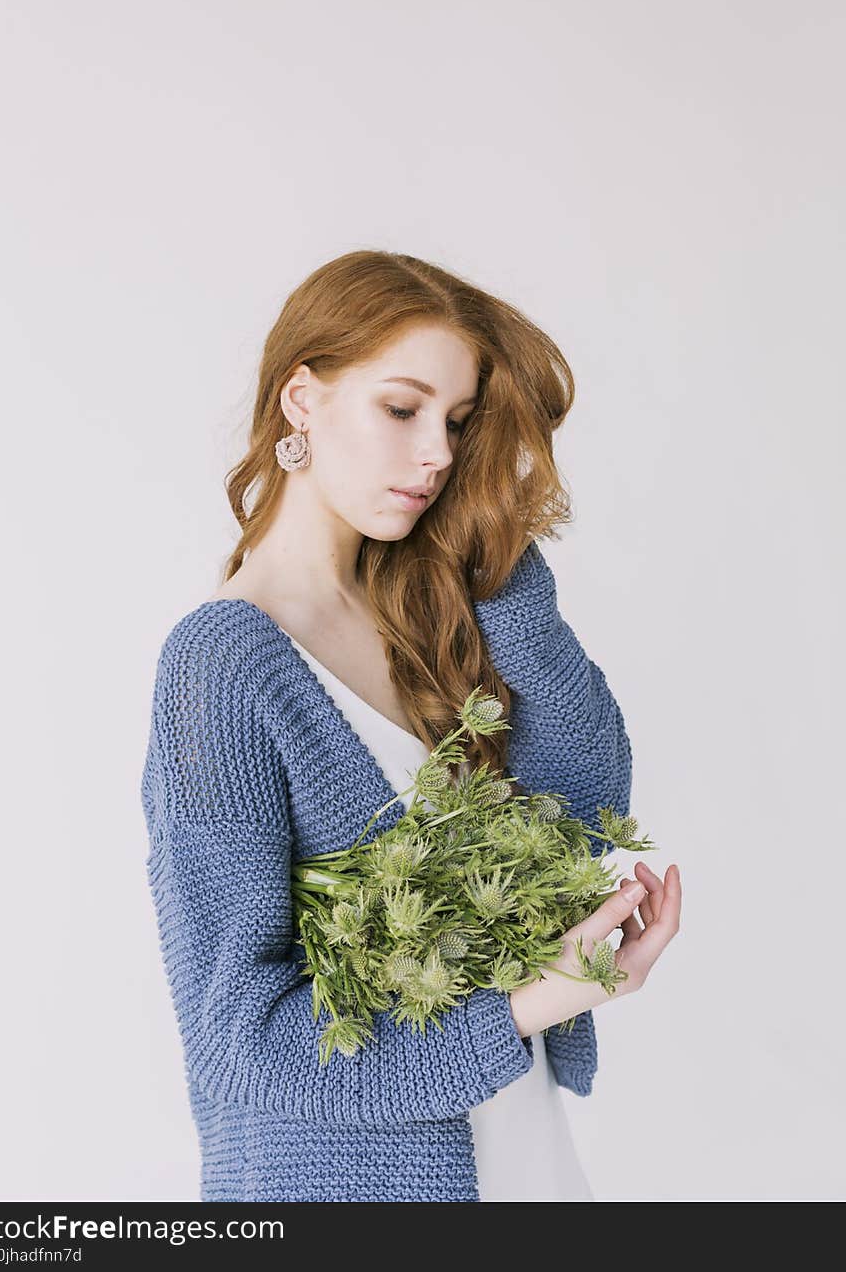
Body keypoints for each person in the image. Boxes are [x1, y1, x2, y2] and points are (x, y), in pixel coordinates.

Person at [140, 248, 681, 1202]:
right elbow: (242, 1044)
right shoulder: (222, 667)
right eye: (403, 409)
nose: (437, 452)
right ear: (301, 400)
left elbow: (590, 806)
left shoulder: (430, 611)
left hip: (526, 1157)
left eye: (458, 422)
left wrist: (499, 557)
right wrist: (531, 1002)